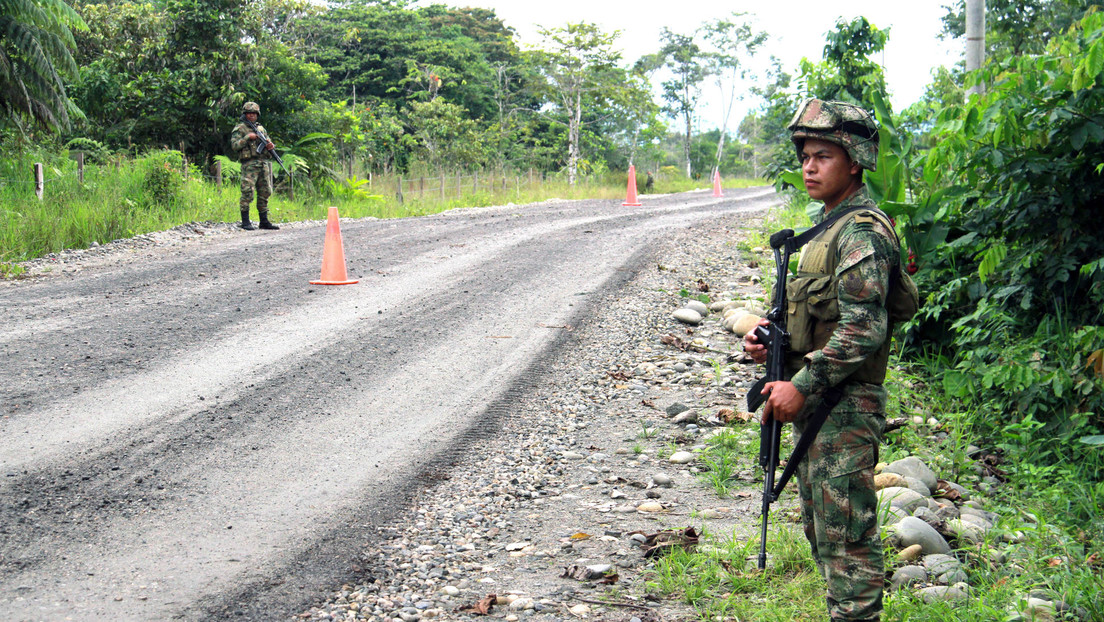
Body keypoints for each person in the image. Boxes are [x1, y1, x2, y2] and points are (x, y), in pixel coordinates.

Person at [744, 99, 899, 622]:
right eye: (806, 155)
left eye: (823, 156)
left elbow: (864, 327)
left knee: (847, 540)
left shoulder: (860, 232)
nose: (809, 166)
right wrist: (773, 346)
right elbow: (820, 319)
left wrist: (802, 383)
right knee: (824, 531)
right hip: (820, 404)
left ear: (853, 161)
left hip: (845, 406)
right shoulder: (824, 229)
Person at [230, 102, 279, 230]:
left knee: (265, 191)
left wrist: (270, 146)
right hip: (249, 164)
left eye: (254, 114)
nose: (251, 116)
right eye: (249, 114)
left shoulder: (261, 129)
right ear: (245, 115)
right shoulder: (240, 128)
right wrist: (247, 137)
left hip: (263, 163)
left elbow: (267, 142)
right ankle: (245, 222)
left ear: (257, 115)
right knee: (247, 192)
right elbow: (234, 146)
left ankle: (264, 221)